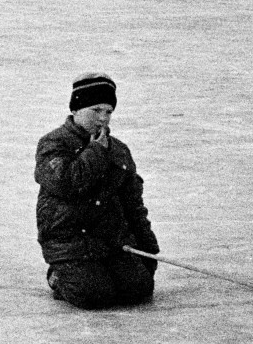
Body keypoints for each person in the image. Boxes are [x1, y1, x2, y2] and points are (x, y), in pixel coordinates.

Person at [34, 71, 159, 309]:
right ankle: (58, 276)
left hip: (110, 241)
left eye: (108, 111)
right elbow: (66, 182)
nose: (103, 118)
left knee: (138, 289)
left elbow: (133, 204)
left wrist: (148, 251)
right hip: (69, 242)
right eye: (95, 110)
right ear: (76, 109)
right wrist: (96, 152)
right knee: (94, 295)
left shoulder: (119, 150)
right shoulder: (53, 144)